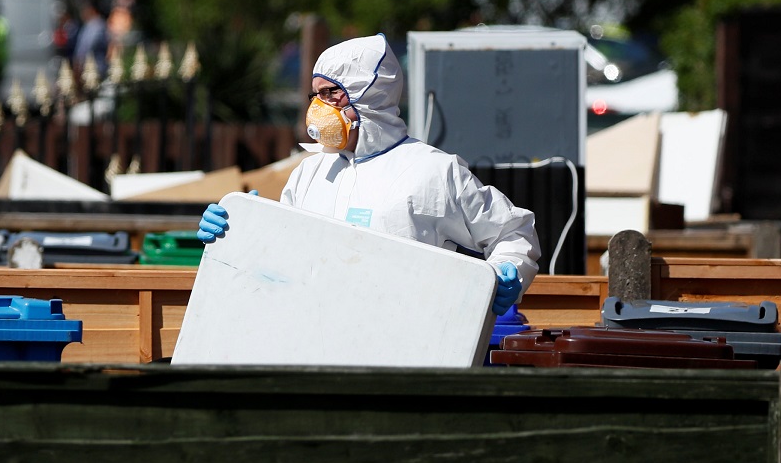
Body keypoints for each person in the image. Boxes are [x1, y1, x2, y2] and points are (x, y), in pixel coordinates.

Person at [198, 33, 541, 313]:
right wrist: (243, 232)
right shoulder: (309, 173)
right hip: (314, 340)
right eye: (315, 95)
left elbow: (513, 232)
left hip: (411, 344)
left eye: (331, 93)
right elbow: (281, 262)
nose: (318, 108)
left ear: (369, 95)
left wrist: (505, 272)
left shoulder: (433, 171)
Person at [72, 0, 109, 77]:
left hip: (94, 68)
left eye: (84, 10)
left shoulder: (96, 26)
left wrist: (78, 63)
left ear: (91, 10)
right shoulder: (89, 25)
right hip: (89, 68)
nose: (82, 14)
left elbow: (87, 47)